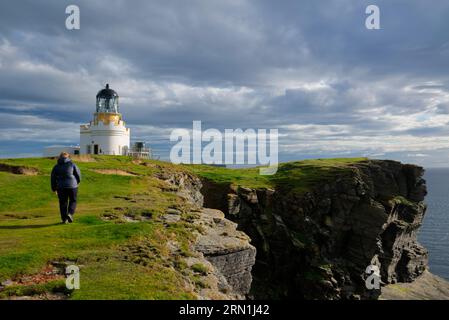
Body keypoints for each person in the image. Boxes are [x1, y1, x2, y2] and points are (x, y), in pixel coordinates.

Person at [51, 152, 81, 224]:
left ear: (60, 157)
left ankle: (64, 219)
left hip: (61, 187)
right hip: (72, 186)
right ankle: (70, 214)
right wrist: (78, 182)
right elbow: (78, 174)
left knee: (63, 203)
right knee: (73, 200)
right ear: (68, 157)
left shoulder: (56, 166)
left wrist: (54, 188)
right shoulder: (72, 164)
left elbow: (53, 178)